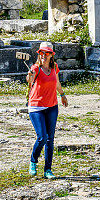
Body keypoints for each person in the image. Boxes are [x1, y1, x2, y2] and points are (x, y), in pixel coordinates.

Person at [27, 41, 68, 178]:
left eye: (47, 53)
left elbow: (57, 82)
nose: (44, 55)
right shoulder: (36, 68)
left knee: (50, 139)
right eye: (42, 53)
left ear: (51, 55)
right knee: (42, 137)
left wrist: (62, 95)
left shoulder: (54, 67)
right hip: (36, 106)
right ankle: (33, 160)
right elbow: (29, 79)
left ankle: (48, 170)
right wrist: (30, 74)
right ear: (39, 54)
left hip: (52, 106)